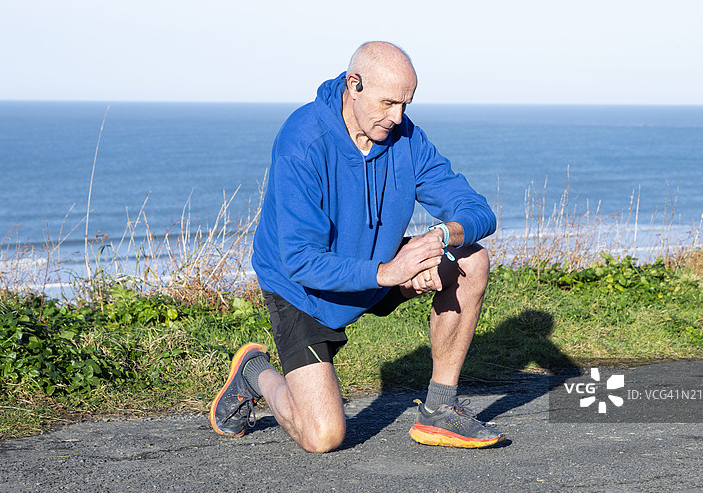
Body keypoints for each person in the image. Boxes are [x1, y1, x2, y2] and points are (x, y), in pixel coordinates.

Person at [210, 41, 504, 452]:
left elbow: (478, 211)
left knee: (471, 259)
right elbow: (299, 260)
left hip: (376, 262)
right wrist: (389, 273)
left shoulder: (405, 136)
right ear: (354, 84)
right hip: (303, 290)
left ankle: (440, 410)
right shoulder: (303, 140)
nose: (398, 117)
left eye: (405, 103)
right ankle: (253, 371)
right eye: (388, 103)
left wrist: (438, 237)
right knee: (323, 436)